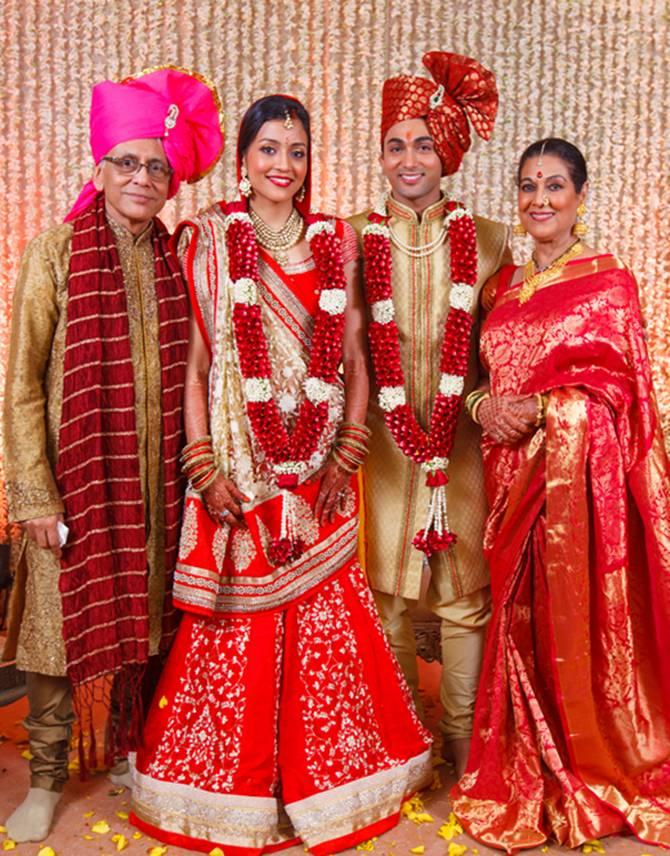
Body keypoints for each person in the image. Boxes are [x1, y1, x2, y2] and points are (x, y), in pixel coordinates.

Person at [129, 94, 432, 856]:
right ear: (243, 158)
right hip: (240, 467)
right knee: (236, 623)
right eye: (269, 149)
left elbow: (357, 357)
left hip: (318, 470)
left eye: (296, 151)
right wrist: (204, 465)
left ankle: (331, 781)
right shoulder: (209, 241)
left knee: (330, 617)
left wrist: (347, 451)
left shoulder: (337, 243)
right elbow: (199, 366)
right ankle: (233, 793)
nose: (283, 166)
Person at [2, 66, 224, 843]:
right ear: (99, 170)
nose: (141, 177)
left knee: (154, 626)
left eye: (155, 166)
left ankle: (138, 751)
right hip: (73, 485)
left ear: (170, 181)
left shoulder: (179, 258)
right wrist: (32, 493)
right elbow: (23, 381)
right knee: (55, 637)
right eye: (127, 163)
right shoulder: (56, 252)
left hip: (158, 489)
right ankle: (49, 776)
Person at [451, 137, 670, 850]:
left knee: (569, 618)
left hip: (577, 486)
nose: (538, 199)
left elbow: (622, 395)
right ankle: (529, 759)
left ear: (580, 197)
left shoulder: (610, 283)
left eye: (554, 186)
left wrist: (550, 412)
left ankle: (588, 761)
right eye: (527, 186)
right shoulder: (500, 287)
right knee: (516, 619)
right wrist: (486, 410)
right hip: (507, 482)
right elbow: (480, 385)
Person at [348, 51, 511, 777]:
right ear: (380, 155)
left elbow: (505, 349)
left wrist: (480, 404)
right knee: (385, 599)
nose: (408, 159)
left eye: (422, 143)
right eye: (395, 144)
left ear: (446, 153)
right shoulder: (348, 235)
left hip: (464, 446)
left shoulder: (494, 238)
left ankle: (460, 746)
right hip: (380, 448)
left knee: (463, 603)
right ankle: (402, 748)